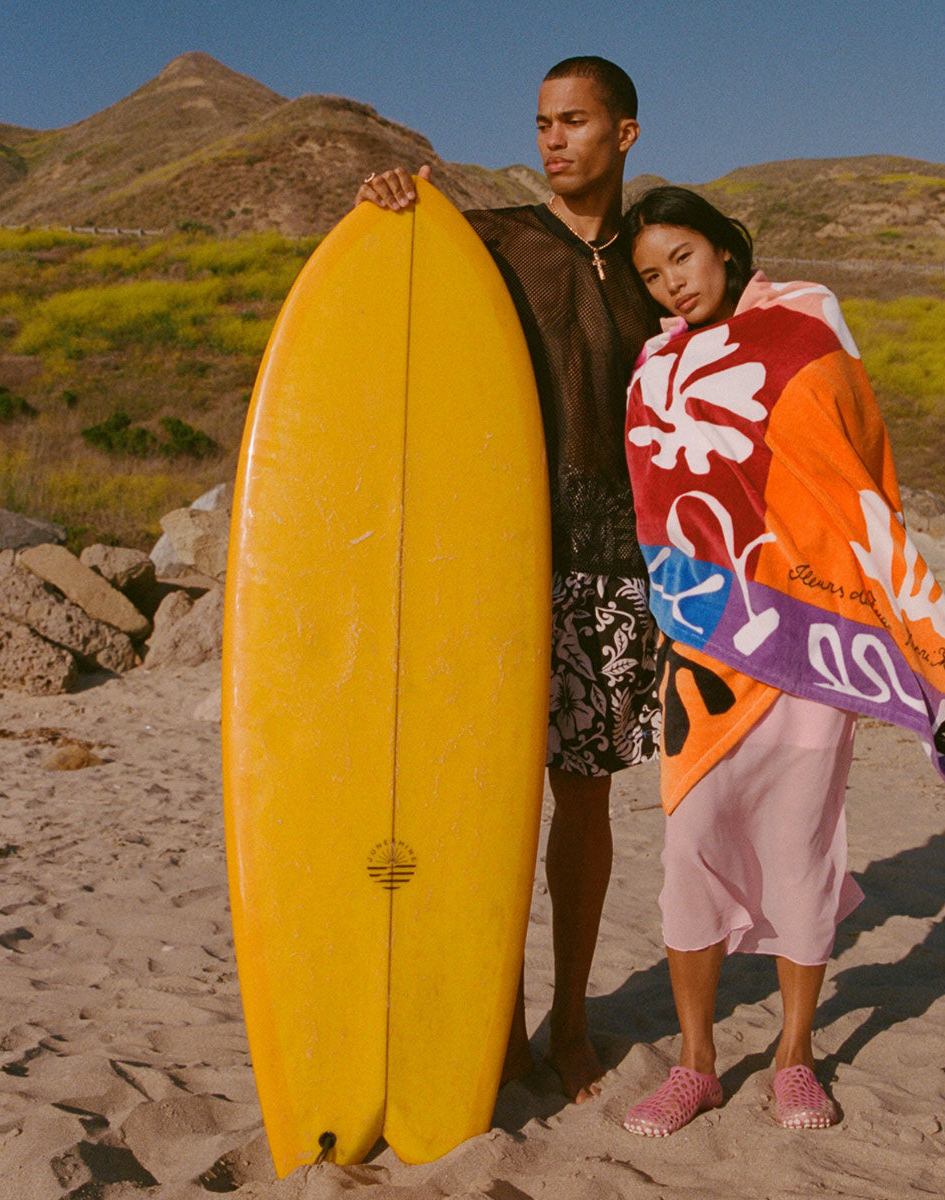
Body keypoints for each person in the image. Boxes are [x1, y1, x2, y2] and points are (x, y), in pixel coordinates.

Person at [618, 187, 945, 1135]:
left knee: (801, 844)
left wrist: (861, 595)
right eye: (652, 276)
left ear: (723, 248)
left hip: (806, 627)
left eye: (682, 259)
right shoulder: (655, 364)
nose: (672, 285)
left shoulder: (804, 323)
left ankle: (795, 1056)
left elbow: (850, 459)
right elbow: (659, 493)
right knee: (691, 844)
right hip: (708, 634)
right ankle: (696, 1065)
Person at [354, 57, 661, 1103]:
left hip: (613, 563)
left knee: (585, 801)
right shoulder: (489, 239)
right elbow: (387, 298)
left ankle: (569, 1022)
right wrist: (388, 205)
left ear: (624, 132)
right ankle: (493, 1020)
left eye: (573, 121)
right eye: (541, 123)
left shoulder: (655, 261)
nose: (553, 141)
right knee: (479, 799)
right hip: (496, 555)